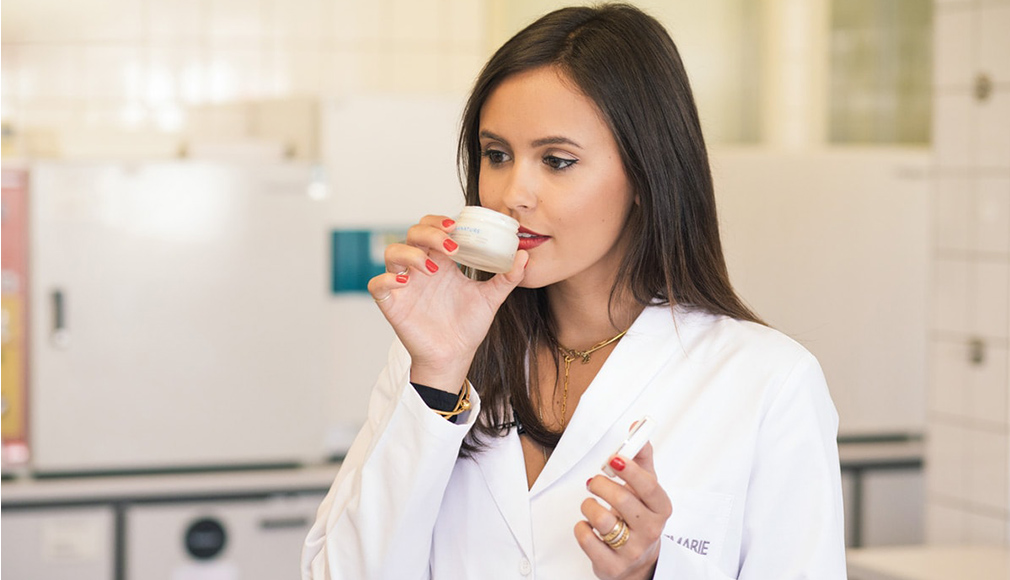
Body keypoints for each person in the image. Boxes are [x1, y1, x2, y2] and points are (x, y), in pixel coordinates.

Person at [302, 4, 846, 579]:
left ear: (646, 174)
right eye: (497, 155)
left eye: (557, 161)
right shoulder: (440, 359)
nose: (514, 193)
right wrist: (435, 379)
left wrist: (650, 572)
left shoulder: (769, 383)